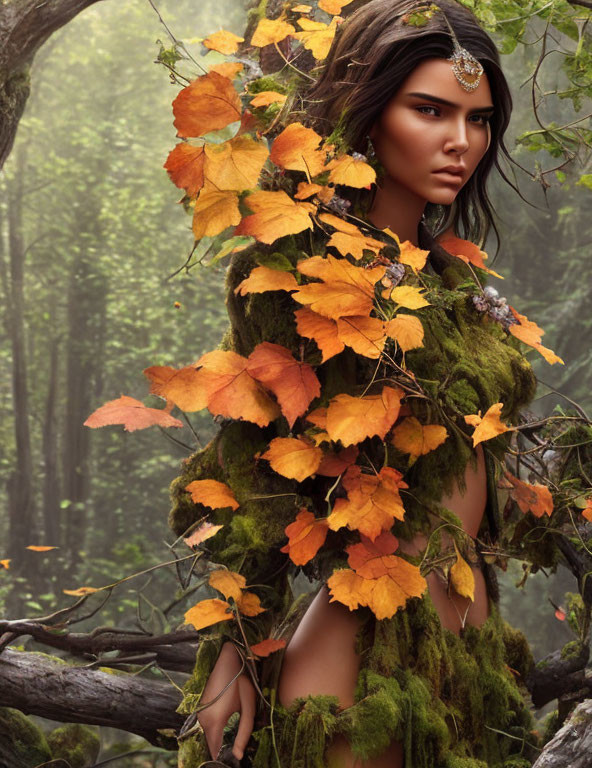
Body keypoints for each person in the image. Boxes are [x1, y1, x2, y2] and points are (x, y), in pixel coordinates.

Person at [170, 1, 540, 765]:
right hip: (355, 665)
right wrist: (230, 654)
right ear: (369, 110)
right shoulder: (298, 268)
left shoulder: (452, 283)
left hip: (461, 652)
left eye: (478, 119)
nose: (459, 142)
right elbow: (258, 470)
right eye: (430, 110)